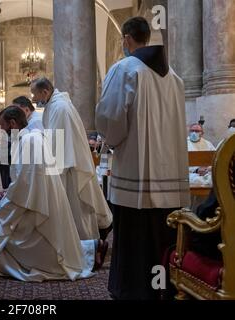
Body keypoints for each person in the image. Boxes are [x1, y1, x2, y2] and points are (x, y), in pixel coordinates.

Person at [95, 17, 190, 300]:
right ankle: (162, 288)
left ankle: (133, 289)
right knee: (162, 235)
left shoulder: (125, 69)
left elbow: (110, 119)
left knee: (136, 239)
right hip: (169, 176)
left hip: (136, 174)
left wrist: (111, 142)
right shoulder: (174, 77)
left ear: (126, 39)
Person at [0, 106, 108, 282]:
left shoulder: (29, 141)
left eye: (3, 126)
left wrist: (6, 199)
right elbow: (26, 180)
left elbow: (26, 184)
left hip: (35, 206)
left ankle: (8, 264)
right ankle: (89, 248)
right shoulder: (31, 137)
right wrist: (8, 192)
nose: (2, 131)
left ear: (13, 124)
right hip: (38, 200)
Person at [30, 77, 113, 242]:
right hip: (66, 161)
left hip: (68, 166)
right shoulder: (55, 105)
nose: (33, 99)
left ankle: (85, 244)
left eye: (34, 94)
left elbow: (57, 142)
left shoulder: (60, 108)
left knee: (76, 208)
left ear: (45, 92)